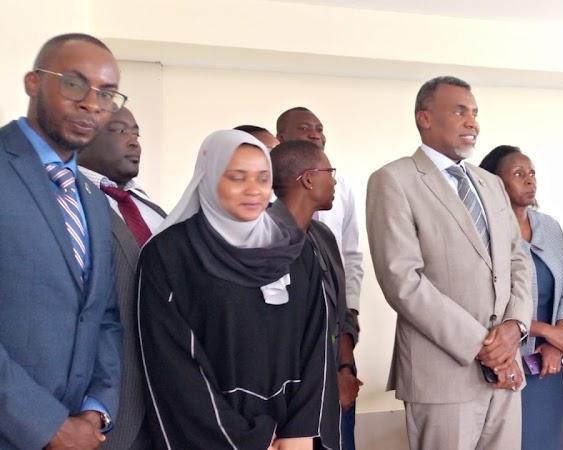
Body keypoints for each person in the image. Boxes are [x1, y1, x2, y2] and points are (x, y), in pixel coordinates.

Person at [137, 130, 338, 449]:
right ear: (209, 177)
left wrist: (300, 431)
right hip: (212, 435)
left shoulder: (293, 248)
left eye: (262, 178)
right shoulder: (170, 254)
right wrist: (247, 440)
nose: (253, 190)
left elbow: (317, 343)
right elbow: (171, 364)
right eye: (237, 177)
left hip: (294, 434)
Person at [366, 75, 533, 449]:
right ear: (424, 118)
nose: (472, 122)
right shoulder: (393, 180)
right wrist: (483, 345)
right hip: (442, 374)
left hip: (506, 368)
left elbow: (518, 259)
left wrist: (514, 326)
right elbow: (402, 281)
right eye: (460, 112)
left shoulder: (490, 183)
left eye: (474, 113)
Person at [0, 33, 124, 450]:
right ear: (33, 82)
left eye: (106, 94)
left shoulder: (92, 197)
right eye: (74, 84)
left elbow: (103, 315)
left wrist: (96, 408)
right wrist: (49, 425)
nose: (92, 104)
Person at [479, 145, 563, 450]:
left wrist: (556, 342)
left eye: (532, 172)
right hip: (505, 359)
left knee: (546, 440)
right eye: (518, 173)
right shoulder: (483, 231)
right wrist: (547, 332)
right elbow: (488, 305)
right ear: (495, 182)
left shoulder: (549, 226)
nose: (529, 179)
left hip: (546, 362)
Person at [78, 106, 166, 450]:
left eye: (137, 132)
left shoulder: (155, 211)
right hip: (104, 406)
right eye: (119, 130)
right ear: (84, 135)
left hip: (165, 399)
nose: (134, 142)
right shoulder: (69, 202)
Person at [275, 107, 363, 448]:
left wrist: (344, 366)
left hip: (336, 351)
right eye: (329, 172)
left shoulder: (323, 234)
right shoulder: (263, 236)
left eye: (320, 128)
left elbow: (341, 294)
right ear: (309, 178)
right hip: (288, 379)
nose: (316, 133)